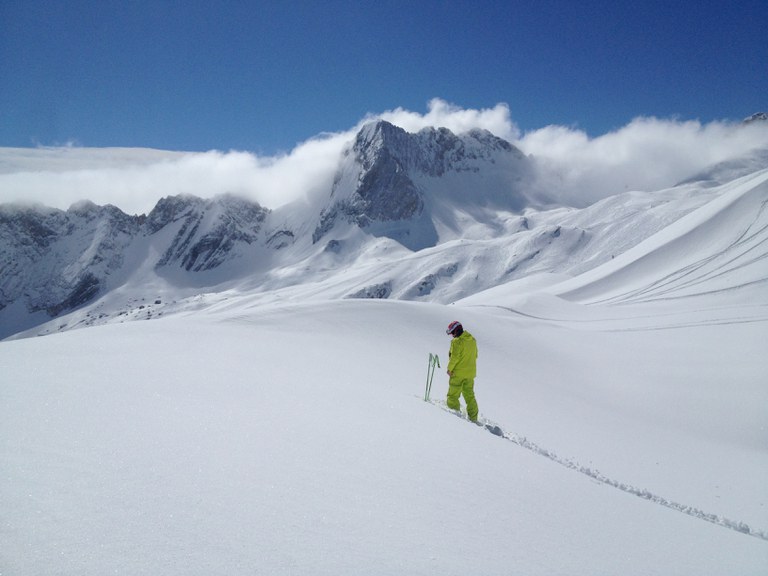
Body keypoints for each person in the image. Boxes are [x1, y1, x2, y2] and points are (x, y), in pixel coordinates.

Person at [445, 320, 479, 422]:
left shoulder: (457, 342)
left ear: (456, 331)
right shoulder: (472, 340)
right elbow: (475, 355)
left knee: (453, 395)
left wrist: (449, 369)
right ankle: (473, 418)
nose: (451, 335)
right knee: (469, 396)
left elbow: (454, 358)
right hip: (470, 373)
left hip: (458, 373)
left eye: (452, 333)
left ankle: (453, 415)